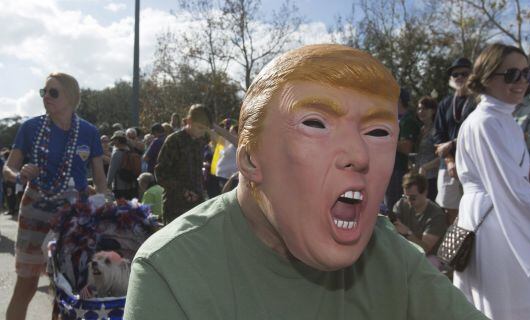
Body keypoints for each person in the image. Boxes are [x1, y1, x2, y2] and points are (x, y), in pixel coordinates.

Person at [125, 44, 487, 320]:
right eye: (316, 124)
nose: (359, 156)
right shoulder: (172, 271)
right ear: (251, 159)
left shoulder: (391, 258)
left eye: (378, 131)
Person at [3, 72, 107, 320]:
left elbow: (100, 179)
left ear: (71, 97)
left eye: (53, 92)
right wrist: (19, 174)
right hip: (35, 209)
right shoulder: (31, 127)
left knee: (67, 288)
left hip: (73, 215)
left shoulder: (89, 132)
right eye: (44, 92)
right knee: (26, 285)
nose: (46, 97)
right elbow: (8, 168)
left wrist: (102, 202)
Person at [454, 42, 530, 320]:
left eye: (527, 73)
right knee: (503, 303)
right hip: (496, 224)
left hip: (504, 217)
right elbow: (512, 188)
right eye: (511, 74)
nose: (522, 82)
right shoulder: (485, 122)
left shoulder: (504, 120)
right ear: (486, 78)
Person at [433, 57, 476, 225]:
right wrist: (450, 161)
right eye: (455, 74)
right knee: (448, 210)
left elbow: (478, 133)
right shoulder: (445, 103)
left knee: (473, 209)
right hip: (448, 166)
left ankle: (473, 250)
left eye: (464, 73)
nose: (459, 77)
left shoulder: (479, 101)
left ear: (473, 76)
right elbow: (437, 135)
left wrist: (451, 144)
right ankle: (453, 249)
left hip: (472, 164)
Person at [154, 104, 211, 224]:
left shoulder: (200, 140)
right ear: (189, 121)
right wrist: (183, 191)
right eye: (199, 127)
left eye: (205, 129)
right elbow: (161, 173)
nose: (202, 132)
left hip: (197, 203)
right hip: (176, 205)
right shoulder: (174, 141)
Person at [392, 172, 447, 266]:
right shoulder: (401, 204)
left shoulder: (436, 215)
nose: (408, 201)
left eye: (413, 198)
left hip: (429, 256)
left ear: (425, 192)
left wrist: (407, 233)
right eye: (406, 196)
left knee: (425, 265)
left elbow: (424, 249)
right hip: (406, 251)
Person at [384, 88, 422, 211]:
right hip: (391, 169)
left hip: (399, 170)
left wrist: (386, 140)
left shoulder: (408, 120)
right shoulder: (395, 119)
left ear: (399, 100)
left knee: (394, 208)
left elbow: (407, 147)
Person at [415, 96, 440, 200]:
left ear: (433, 110)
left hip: (433, 178)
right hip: (420, 178)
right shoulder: (421, 130)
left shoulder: (437, 130)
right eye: (419, 109)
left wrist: (425, 167)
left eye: (425, 108)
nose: (421, 111)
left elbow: (443, 156)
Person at [106, 130, 139, 200]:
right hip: (133, 186)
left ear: (118, 140)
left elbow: (111, 171)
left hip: (120, 188)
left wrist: (106, 185)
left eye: (114, 140)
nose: (113, 142)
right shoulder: (131, 151)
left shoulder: (117, 154)